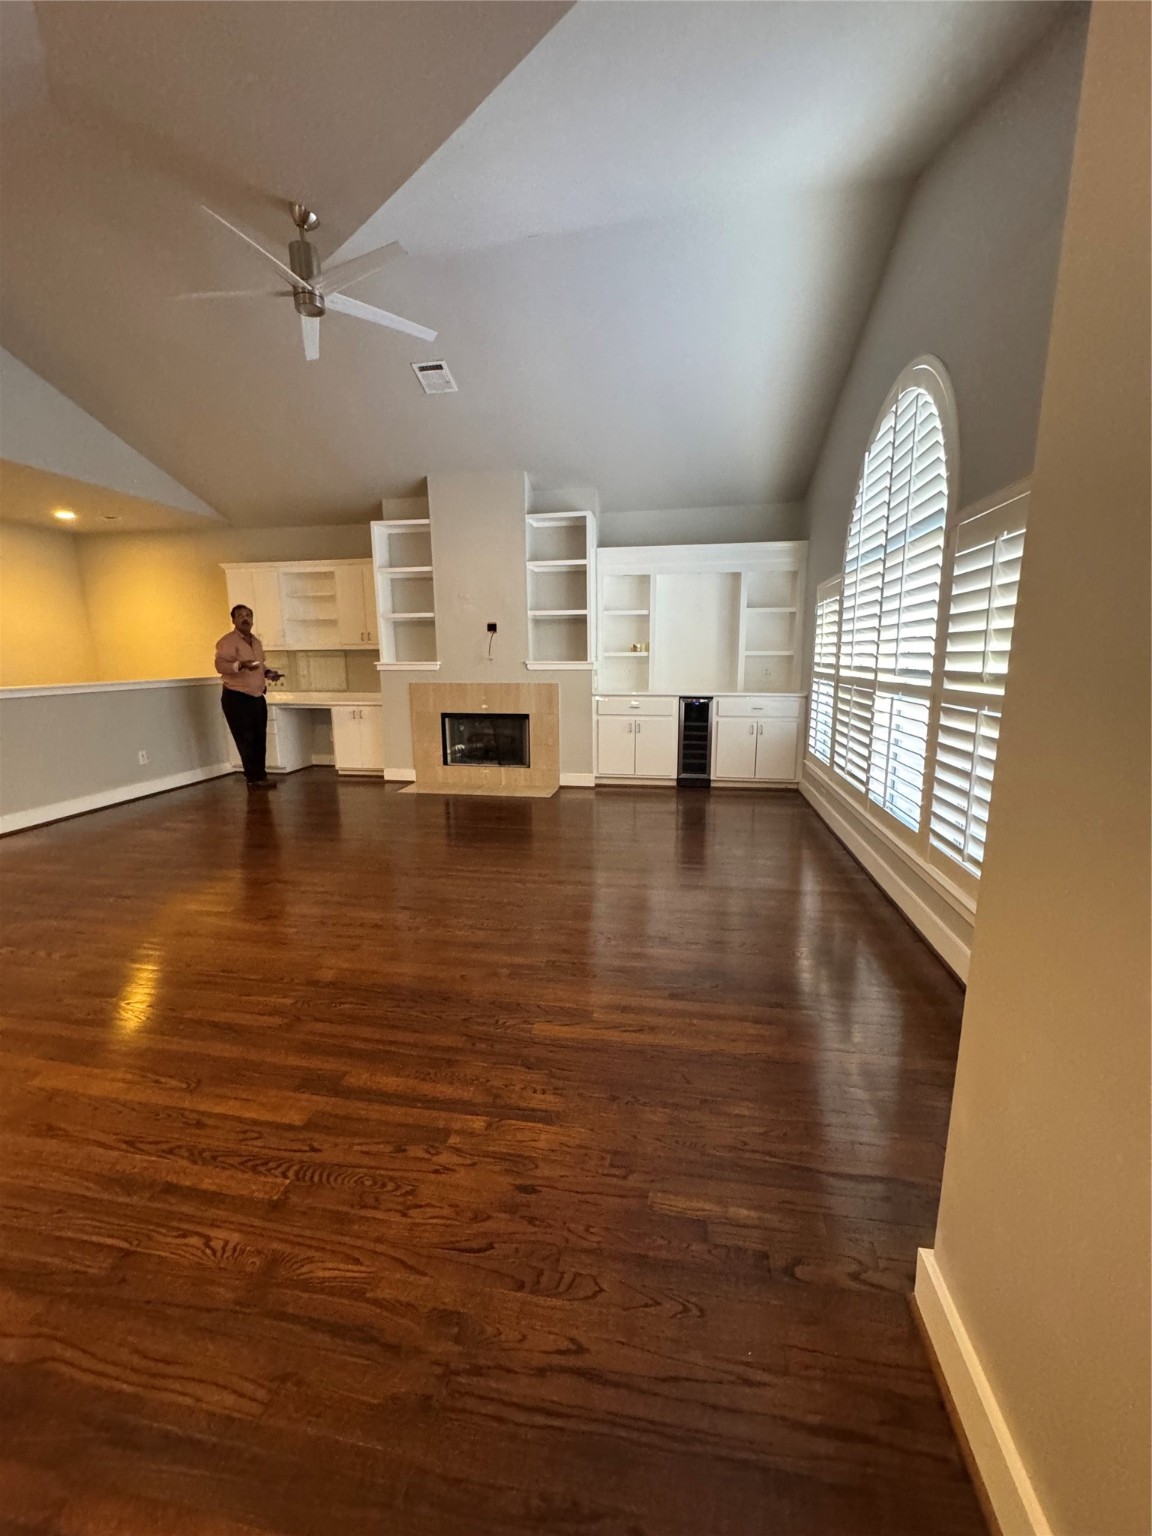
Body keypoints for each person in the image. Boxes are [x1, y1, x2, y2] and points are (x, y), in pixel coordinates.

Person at [215, 604, 283, 789]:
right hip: (237, 696)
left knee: (259, 737)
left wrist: (269, 673)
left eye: (248, 615)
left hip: (256, 695)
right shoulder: (228, 641)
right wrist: (240, 666)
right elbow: (221, 665)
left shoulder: (256, 642)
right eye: (241, 616)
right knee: (246, 738)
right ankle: (253, 778)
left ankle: (261, 776)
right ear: (234, 620)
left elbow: (260, 666)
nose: (245, 619)